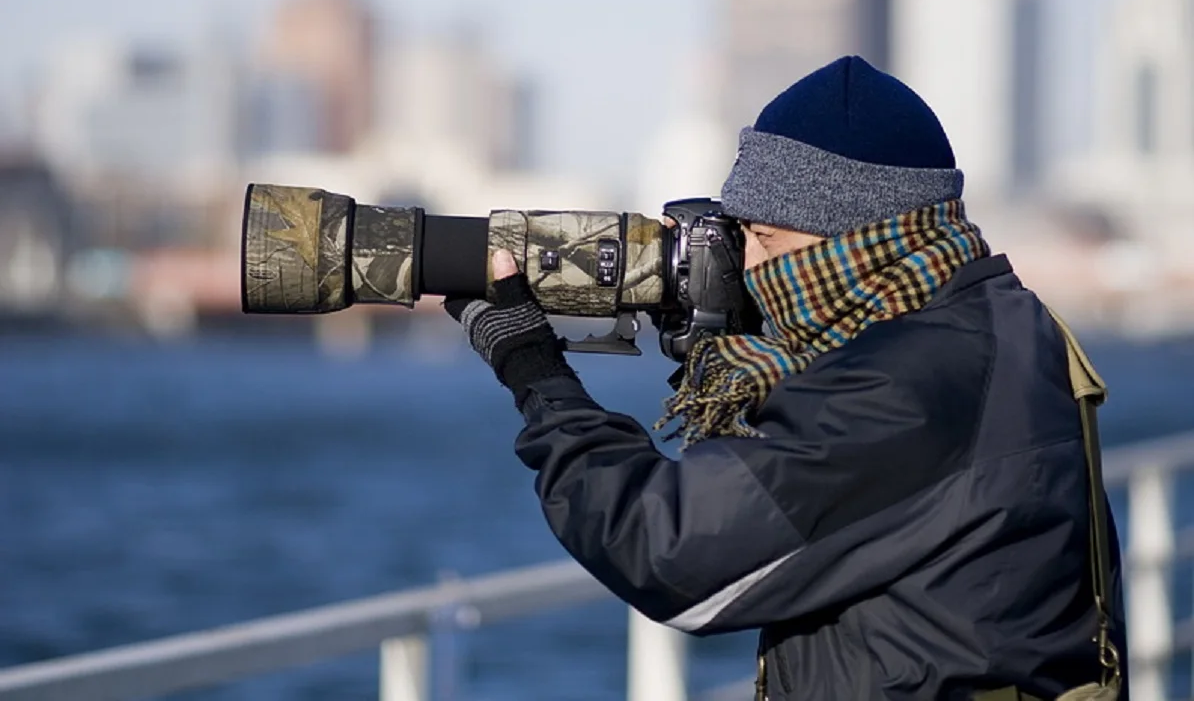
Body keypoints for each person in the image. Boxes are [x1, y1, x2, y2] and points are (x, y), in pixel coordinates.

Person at [445, 55, 1128, 700]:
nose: (751, 268)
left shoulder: (907, 388)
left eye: (768, 241)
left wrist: (533, 366)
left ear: (861, 234)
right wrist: (724, 344)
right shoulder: (997, 318)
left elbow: (666, 546)